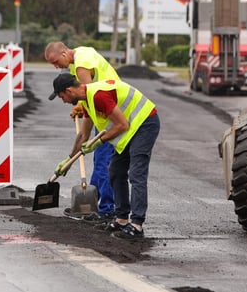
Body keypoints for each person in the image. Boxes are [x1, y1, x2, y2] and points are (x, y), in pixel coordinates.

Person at [49, 73, 160, 240]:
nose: (63, 100)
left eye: (61, 96)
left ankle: (137, 225)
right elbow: (83, 135)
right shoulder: (86, 101)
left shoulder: (98, 96)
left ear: (69, 90)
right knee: (115, 171)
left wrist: (99, 141)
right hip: (131, 129)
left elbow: (122, 124)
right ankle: (122, 219)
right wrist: (69, 159)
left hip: (145, 123)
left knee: (137, 174)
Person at [44, 42, 119, 221]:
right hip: (105, 110)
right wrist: (69, 160)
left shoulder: (81, 64)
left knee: (103, 163)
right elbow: (87, 103)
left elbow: (88, 92)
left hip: (111, 113)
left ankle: (107, 209)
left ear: (63, 53)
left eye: (55, 62)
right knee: (99, 159)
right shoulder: (83, 53)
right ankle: (92, 203)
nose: (56, 67)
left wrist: (80, 105)